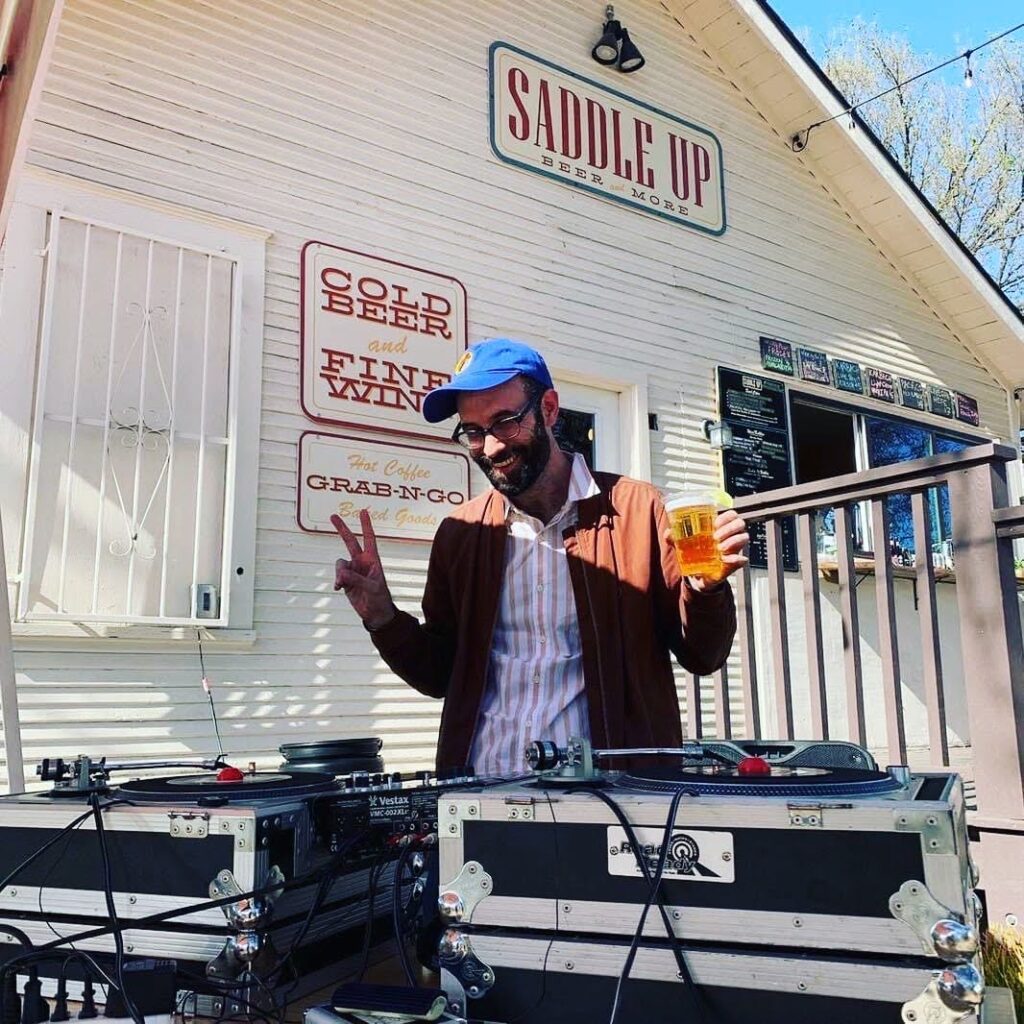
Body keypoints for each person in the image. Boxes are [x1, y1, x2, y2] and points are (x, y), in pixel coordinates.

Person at [331, 339, 748, 776]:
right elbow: (440, 674)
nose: (490, 447)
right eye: (473, 431)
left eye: (505, 422)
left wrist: (705, 591)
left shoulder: (638, 511)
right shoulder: (461, 534)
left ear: (549, 409)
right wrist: (382, 618)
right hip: (483, 794)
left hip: (612, 804)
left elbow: (704, 655)